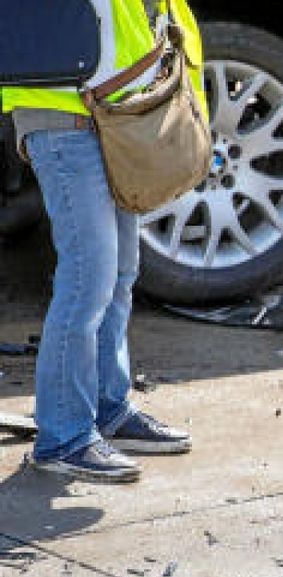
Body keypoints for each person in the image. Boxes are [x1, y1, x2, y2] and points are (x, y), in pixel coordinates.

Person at [0, 0, 205, 483]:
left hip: (115, 108)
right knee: (87, 278)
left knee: (118, 270)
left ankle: (108, 407)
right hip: (62, 114)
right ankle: (64, 435)